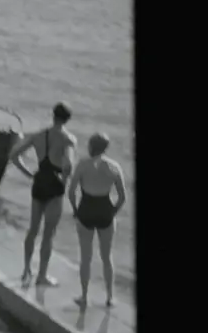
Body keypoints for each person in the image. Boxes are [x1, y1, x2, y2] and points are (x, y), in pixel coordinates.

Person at [11, 103, 76, 287]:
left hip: (39, 182)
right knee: (48, 234)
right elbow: (68, 164)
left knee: (33, 229)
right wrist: (64, 181)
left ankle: (26, 270)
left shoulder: (39, 135)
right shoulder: (68, 139)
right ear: (68, 119)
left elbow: (14, 155)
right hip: (54, 185)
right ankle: (42, 276)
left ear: (53, 115)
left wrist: (28, 173)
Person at [69, 133, 127, 308]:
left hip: (86, 210)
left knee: (85, 257)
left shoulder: (83, 165)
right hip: (105, 211)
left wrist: (75, 210)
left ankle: (84, 297)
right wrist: (112, 212)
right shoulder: (114, 166)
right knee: (107, 257)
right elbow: (122, 197)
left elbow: (71, 192)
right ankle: (110, 297)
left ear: (91, 146)